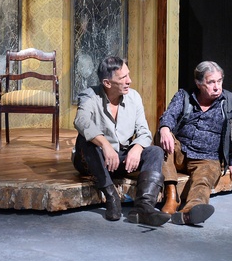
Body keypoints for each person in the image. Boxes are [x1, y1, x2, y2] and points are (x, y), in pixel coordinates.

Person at [72, 56, 170, 226]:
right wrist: (105, 144)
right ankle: (111, 196)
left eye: (128, 75)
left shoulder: (134, 97)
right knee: (85, 139)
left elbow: (144, 131)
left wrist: (137, 147)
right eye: (123, 77)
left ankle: (144, 207)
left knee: (155, 151)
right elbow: (81, 121)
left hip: (121, 159)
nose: (129, 81)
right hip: (94, 161)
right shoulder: (89, 95)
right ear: (107, 83)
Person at [157, 61, 232, 225]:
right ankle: (172, 196)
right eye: (211, 82)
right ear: (198, 83)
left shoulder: (230, 102)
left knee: (203, 180)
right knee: (161, 135)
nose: (217, 87)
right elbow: (169, 115)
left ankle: (190, 212)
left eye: (219, 81)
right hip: (180, 153)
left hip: (207, 157)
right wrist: (165, 129)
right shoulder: (184, 96)